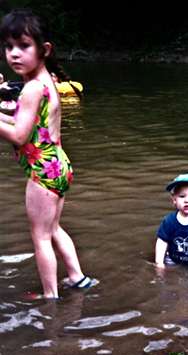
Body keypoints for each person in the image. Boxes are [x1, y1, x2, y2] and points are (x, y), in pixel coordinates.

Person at [0, 9, 95, 299]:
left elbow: (19, 135)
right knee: (52, 228)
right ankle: (77, 277)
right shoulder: (45, 83)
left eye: (23, 46)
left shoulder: (30, 89)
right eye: (8, 47)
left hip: (42, 174)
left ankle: (50, 296)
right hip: (59, 165)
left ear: (44, 49)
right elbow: (24, 124)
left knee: (40, 236)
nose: (14, 54)